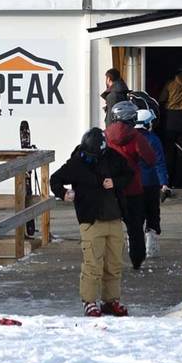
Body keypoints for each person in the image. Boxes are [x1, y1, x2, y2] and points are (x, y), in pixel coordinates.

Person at [50, 127, 134, 316]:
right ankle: (89, 301)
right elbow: (55, 179)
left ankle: (111, 300)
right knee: (92, 263)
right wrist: (64, 193)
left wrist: (115, 182)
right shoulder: (77, 162)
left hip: (114, 217)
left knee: (114, 264)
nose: (91, 159)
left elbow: (129, 174)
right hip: (91, 220)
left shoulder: (112, 156)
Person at [104, 107, 159, 270]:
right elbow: (150, 158)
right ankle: (137, 259)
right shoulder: (136, 137)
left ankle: (108, 260)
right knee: (135, 227)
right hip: (133, 187)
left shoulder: (105, 134)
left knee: (108, 225)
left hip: (110, 187)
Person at [133, 110, 170, 254]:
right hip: (151, 183)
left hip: (132, 184)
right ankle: (151, 246)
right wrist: (164, 184)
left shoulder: (128, 139)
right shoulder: (153, 140)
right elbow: (159, 163)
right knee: (152, 213)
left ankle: (134, 245)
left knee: (136, 214)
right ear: (147, 123)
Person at [159, 67, 182, 188]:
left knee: (169, 152)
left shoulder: (170, 84)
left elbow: (162, 99)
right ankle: (180, 182)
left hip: (171, 118)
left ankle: (167, 181)